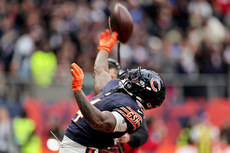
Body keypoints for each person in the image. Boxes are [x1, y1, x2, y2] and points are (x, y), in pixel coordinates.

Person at [59, 29, 166, 153]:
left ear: (142, 92)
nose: (133, 78)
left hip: (82, 149)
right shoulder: (117, 87)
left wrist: (78, 90)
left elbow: (99, 121)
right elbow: (100, 72)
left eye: (138, 80)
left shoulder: (133, 111)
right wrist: (104, 49)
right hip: (77, 145)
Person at [88, 58, 149, 153]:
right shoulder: (89, 100)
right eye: (104, 77)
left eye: (111, 77)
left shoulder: (129, 102)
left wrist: (129, 138)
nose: (107, 81)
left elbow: (143, 134)